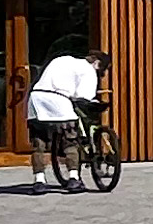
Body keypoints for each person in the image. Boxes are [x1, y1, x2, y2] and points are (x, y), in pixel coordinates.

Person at [25, 43, 104, 184]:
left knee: (39, 143)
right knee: (70, 141)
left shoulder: (60, 59)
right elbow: (84, 97)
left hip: (36, 99)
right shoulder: (88, 69)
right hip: (58, 101)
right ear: (97, 63)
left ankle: (39, 180)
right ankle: (74, 178)